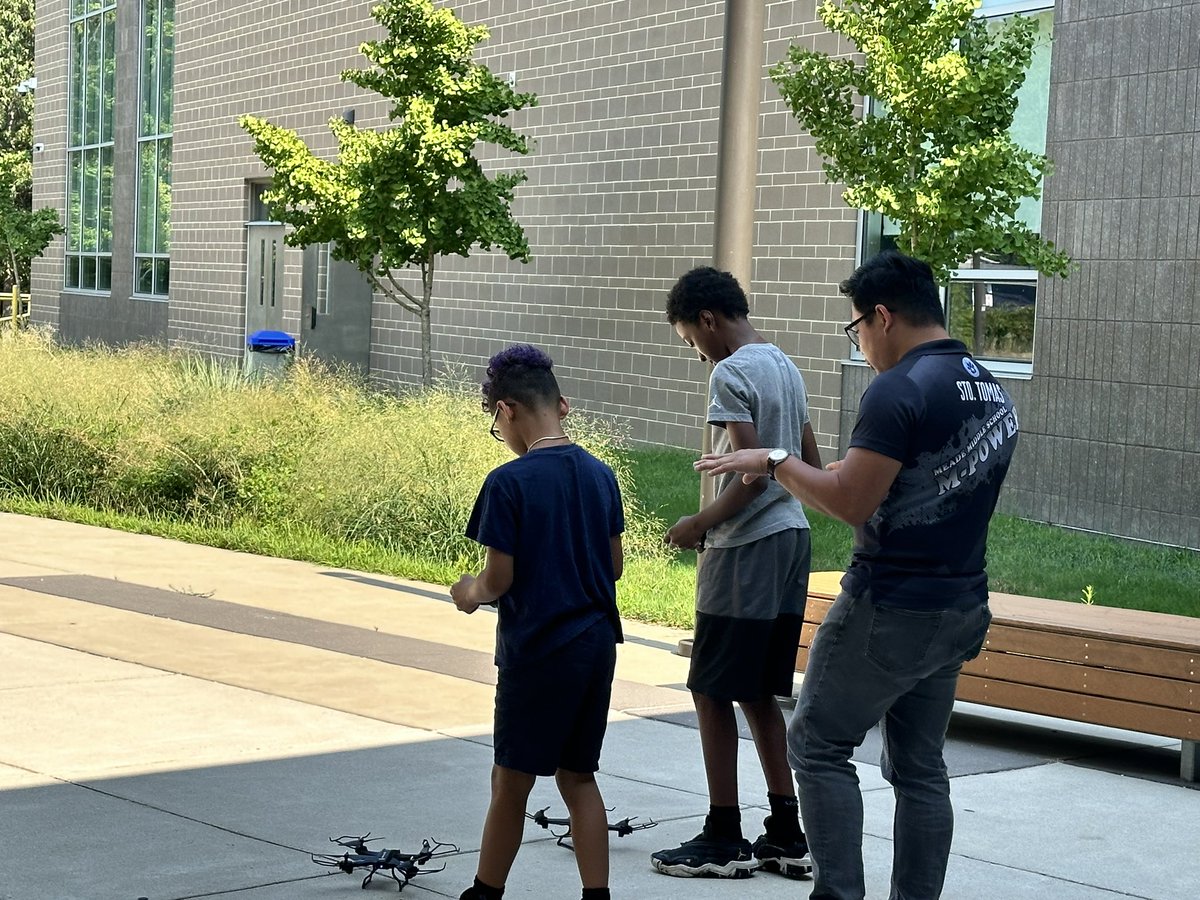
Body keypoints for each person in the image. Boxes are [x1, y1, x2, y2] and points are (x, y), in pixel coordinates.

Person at [695, 250, 1020, 900]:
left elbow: (849, 501)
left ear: (881, 316)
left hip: (888, 606)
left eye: (857, 330)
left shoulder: (898, 388)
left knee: (815, 745)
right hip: (960, 606)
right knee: (921, 768)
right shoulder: (988, 385)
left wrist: (776, 459)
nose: (862, 344)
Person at [650, 266, 822, 880]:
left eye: (689, 340)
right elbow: (809, 460)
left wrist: (699, 523)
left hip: (745, 546)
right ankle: (786, 831)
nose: (697, 355)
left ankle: (723, 834)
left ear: (707, 320)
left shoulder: (730, 371)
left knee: (710, 687)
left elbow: (752, 473)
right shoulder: (784, 363)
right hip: (792, 539)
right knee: (756, 689)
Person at [451, 344, 625, 900]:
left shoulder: (510, 483)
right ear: (562, 405)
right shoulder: (601, 475)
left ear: (507, 411)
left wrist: (468, 593)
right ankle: (596, 895)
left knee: (511, 780)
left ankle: (485, 892)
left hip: (540, 649)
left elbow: (498, 578)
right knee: (578, 778)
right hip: (596, 644)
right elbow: (614, 564)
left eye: (495, 423)